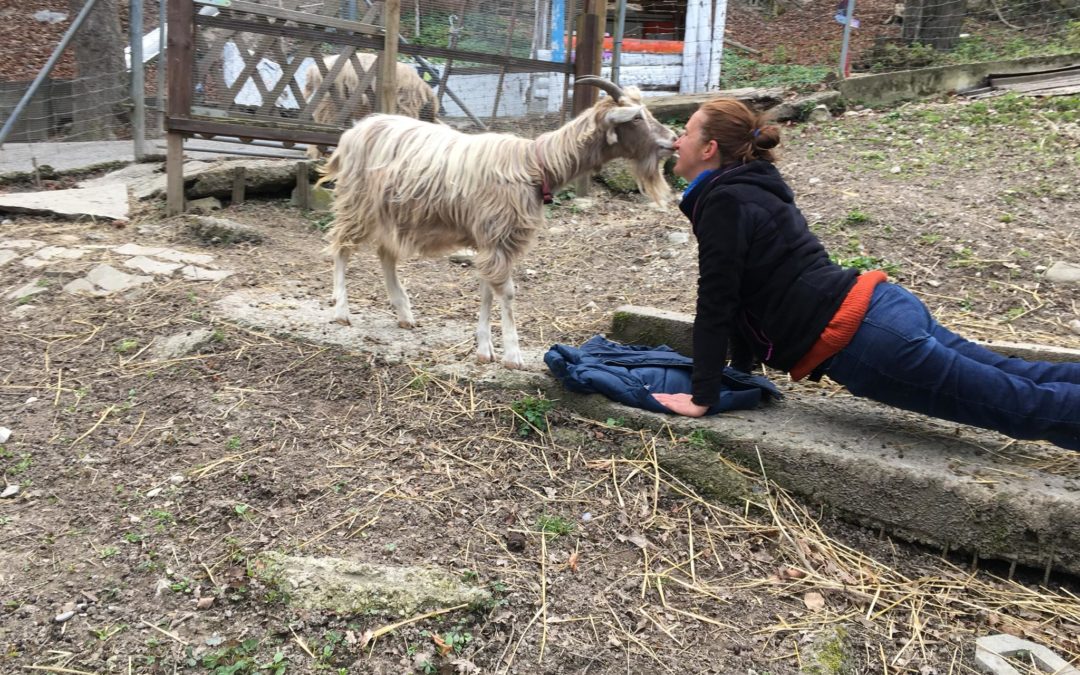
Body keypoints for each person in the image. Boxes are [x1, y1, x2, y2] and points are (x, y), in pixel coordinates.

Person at [651, 98, 1080, 451]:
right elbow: (752, 289)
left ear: (709, 149)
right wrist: (739, 372)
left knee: (1018, 404)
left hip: (864, 340)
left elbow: (717, 302)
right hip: (880, 309)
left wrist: (702, 397)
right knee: (1022, 377)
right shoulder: (748, 188)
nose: (676, 142)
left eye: (686, 132)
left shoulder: (724, 203)